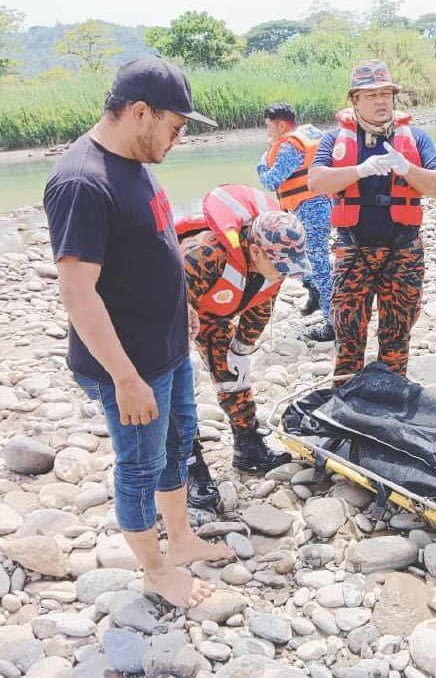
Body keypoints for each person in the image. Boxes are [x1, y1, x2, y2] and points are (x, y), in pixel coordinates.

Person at [43, 55, 232, 609]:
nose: (177, 139)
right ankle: (154, 570)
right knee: (140, 464)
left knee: (177, 445)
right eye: (174, 126)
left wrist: (183, 309)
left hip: (168, 347)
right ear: (141, 112)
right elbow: (78, 293)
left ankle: (182, 539)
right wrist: (125, 378)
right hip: (128, 365)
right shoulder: (82, 182)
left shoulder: (137, 157)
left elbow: (152, 245)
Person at [308, 60, 436, 378]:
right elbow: (316, 182)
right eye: (371, 95)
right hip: (353, 249)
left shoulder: (417, 138)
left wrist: (406, 168)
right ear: (354, 100)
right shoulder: (334, 141)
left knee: (398, 335)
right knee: (348, 334)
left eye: (386, 93)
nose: (381, 101)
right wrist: (359, 170)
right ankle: (344, 400)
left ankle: (391, 397)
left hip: (404, 250)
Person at [176, 184, 309, 509]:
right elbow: (167, 305)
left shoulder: (274, 268)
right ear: (256, 252)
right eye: (281, 267)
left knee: (234, 379)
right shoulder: (203, 255)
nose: (285, 275)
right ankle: (189, 466)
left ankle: (248, 447)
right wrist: (176, 353)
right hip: (174, 314)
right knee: (175, 391)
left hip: (215, 317)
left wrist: (241, 347)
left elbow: (260, 307)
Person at [256, 103, 334, 342]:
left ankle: (333, 323)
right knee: (308, 259)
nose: (268, 132)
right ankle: (316, 298)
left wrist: (261, 163)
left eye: (269, 127)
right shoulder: (309, 134)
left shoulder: (290, 147)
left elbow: (271, 181)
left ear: (281, 125)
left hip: (311, 209)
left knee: (319, 264)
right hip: (320, 204)